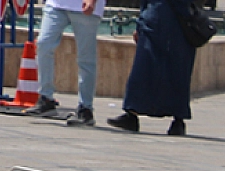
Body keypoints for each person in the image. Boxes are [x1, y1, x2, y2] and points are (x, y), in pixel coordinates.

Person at [106, 0, 196, 136]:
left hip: (173, 23)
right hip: (158, 22)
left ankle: (177, 119)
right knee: (144, 70)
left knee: (175, 72)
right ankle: (132, 114)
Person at [26, 0, 104, 126]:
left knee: (86, 58)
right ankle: (46, 99)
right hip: (56, 4)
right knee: (43, 44)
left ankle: (85, 108)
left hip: (84, 8)